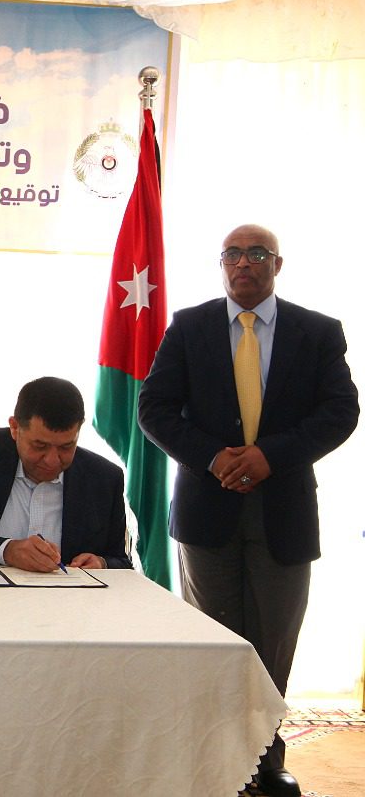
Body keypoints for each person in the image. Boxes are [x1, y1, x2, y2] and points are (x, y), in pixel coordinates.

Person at [138, 224, 357, 797]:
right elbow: (154, 410)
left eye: (256, 254)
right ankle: (217, 765)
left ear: (277, 265)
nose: (243, 264)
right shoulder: (189, 327)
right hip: (207, 512)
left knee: (272, 644)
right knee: (217, 643)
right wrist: (215, 458)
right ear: (221, 264)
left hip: (284, 514)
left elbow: (341, 412)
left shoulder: (318, 332)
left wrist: (269, 457)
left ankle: (266, 761)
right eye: (232, 254)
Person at [0, 376, 131, 571]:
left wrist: (101, 563)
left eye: (66, 447)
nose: (52, 460)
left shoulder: (104, 478)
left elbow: (121, 562)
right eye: (40, 446)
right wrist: (5, 550)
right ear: (14, 427)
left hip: (69, 601)